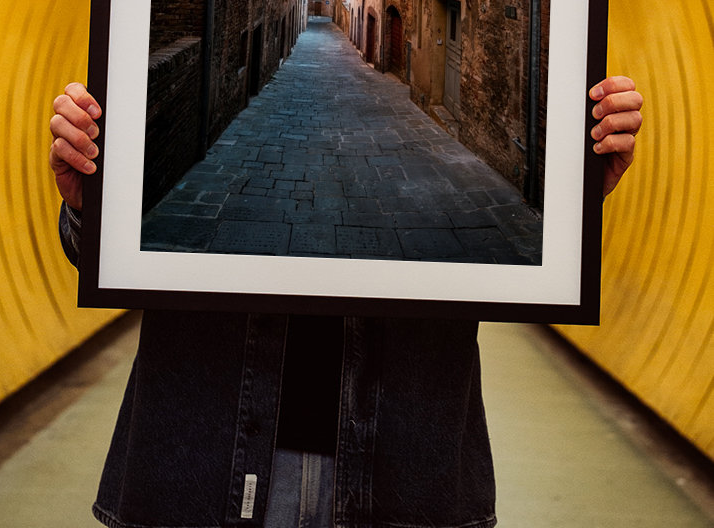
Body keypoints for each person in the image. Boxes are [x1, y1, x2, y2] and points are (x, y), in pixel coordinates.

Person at [50, 76, 643, 528]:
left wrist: (572, 205)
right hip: (199, 462)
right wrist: (91, 207)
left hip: (406, 471)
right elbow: (103, 257)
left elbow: (528, 264)